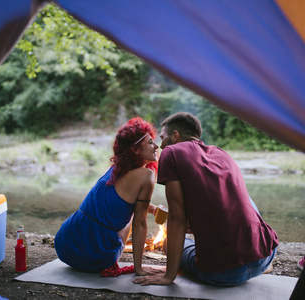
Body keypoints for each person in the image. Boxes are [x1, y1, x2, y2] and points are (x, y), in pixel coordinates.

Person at [133, 112, 279, 287]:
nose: (161, 144)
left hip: (223, 274)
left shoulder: (171, 152)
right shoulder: (220, 153)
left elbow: (176, 219)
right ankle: (261, 264)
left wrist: (168, 276)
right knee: (240, 195)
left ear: (176, 135)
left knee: (166, 243)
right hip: (265, 254)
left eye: (163, 138)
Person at [55, 117, 163, 276]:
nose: (156, 146)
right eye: (150, 142)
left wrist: (152, 209)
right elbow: (139, 224)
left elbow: (116, 202)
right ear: (135, 149)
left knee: (134, 207)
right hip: (96, 255)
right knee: (135, 212)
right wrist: (138, 268)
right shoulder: (146, 175)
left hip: (65, 243)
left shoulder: (115, 170)